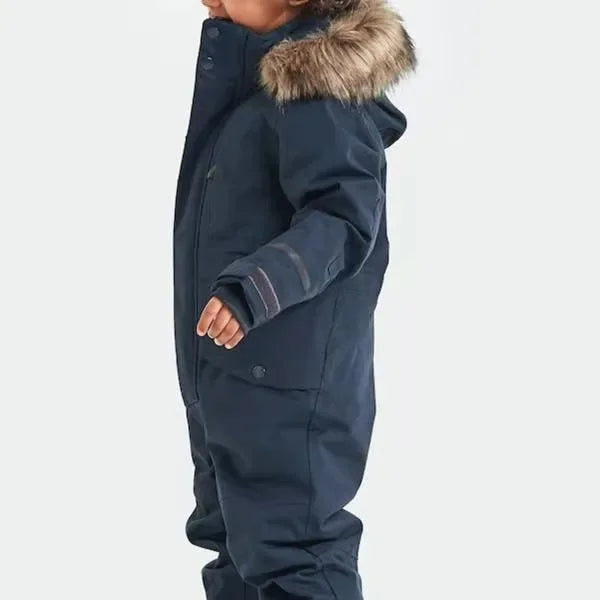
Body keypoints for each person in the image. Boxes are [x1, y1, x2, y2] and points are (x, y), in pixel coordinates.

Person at [172, 0, 416, 597]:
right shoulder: (251, 91)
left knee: (293, 550)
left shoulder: (316, 90)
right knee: (231, 543)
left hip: (288, 386)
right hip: (229, 380)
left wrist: (253, 289)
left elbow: (343, 218)